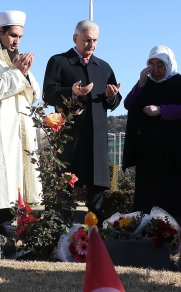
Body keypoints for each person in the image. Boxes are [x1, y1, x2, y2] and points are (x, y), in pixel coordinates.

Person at [43, 20, 122, 223]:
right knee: (66, 188)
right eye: (87, 40)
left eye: (95, 40)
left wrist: (111, 96)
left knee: (96, 195)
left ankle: (97, 232)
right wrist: (71, 92)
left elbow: (114, 103)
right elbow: (48, 94)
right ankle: (61, 231)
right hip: (71, 139)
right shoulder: (59, 62)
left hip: (96, 141)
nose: (91, 44)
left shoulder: (103, 67)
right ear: (75, 38)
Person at [0, 10, 42, 236]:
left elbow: (34, 95)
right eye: (13, 35)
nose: (17, 41)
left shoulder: (18, 61)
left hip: (19, 130)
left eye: (20, 37)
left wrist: (25, 73)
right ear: (0, 32)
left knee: (14, 180)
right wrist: (18, 72)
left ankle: (7, 230)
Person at [122, 46, 181, 219]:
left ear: (169, 64)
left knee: (171, 195)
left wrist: (162, 110)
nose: (155, 70)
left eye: (160, 65)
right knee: (147, 197)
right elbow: (129, 104)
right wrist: (141, 82)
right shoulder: (146, 84)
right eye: (151, 65)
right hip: (148, 151)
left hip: (173, 151)